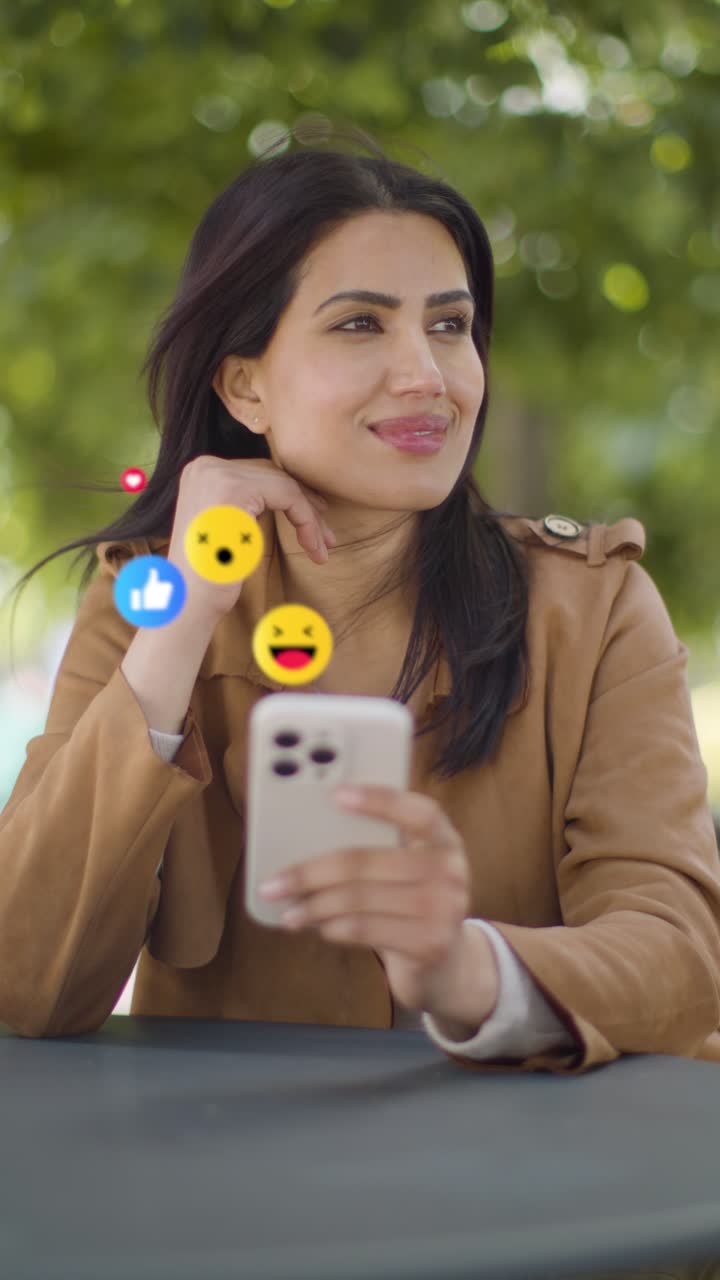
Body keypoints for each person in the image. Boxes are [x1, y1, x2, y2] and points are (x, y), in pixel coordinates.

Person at [1, 122, 720, 1279]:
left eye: (450, 323)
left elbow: (682, 955)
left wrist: (464, 967)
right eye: (359, 325)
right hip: (232, 1224)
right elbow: (29, 982)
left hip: (547, 1225)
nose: (427, 373)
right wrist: (179, 621)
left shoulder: (592, 612)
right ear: (243, 381)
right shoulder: (142, 606)